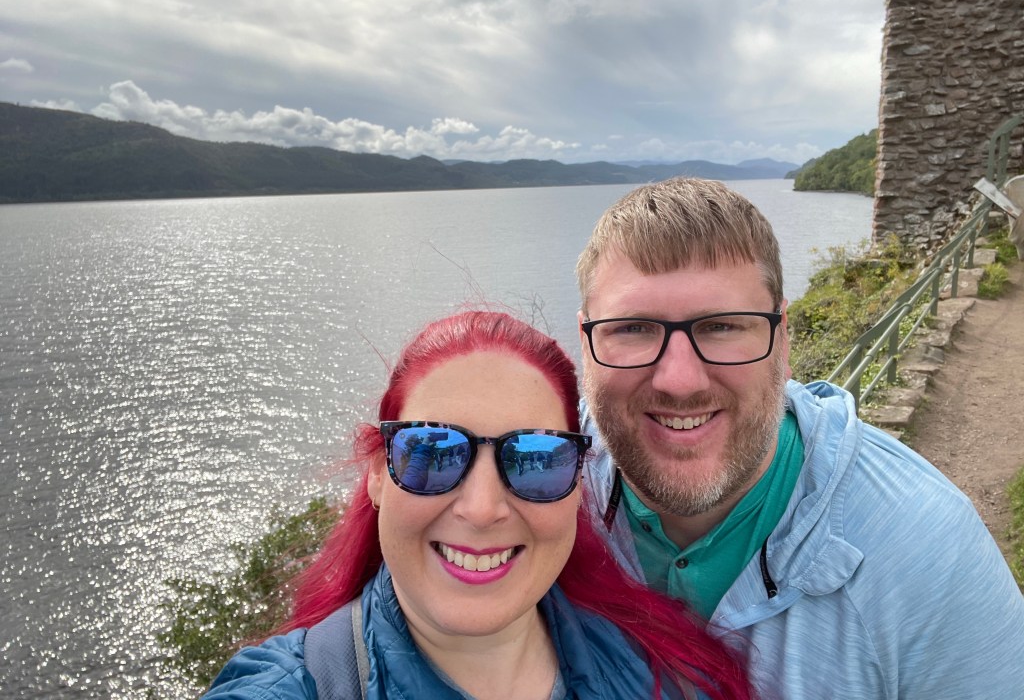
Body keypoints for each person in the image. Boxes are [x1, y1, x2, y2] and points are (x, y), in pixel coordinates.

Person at [575, 177, 1024, 700]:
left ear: (782, 336)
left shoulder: (926, 554)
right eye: (632, 329)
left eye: (723, 326)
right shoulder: (536, 485)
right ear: (585, 343)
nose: (679, 380)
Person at [202, 310, 753, 700]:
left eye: (536, 458)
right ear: (378, 476)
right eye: (430, 453)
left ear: (576, 483)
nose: (483, 508)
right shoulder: (289, 687)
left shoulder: (666, 675)